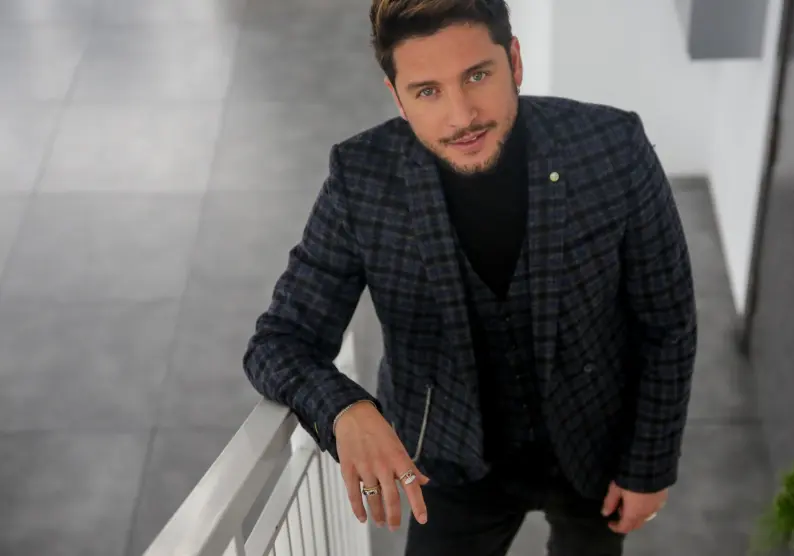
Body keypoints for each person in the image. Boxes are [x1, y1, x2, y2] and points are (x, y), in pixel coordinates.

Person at [243, 1, 697, 554]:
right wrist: (345, 410)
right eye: (427, 91)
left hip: (596, 445)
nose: (461, 116)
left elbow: (667, 321)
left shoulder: (613, 147)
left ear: (515, 61)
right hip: (449, 460)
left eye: (477, 76)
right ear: (397, 97)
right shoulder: (361, 180)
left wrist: (650, 464)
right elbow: (279, 341)